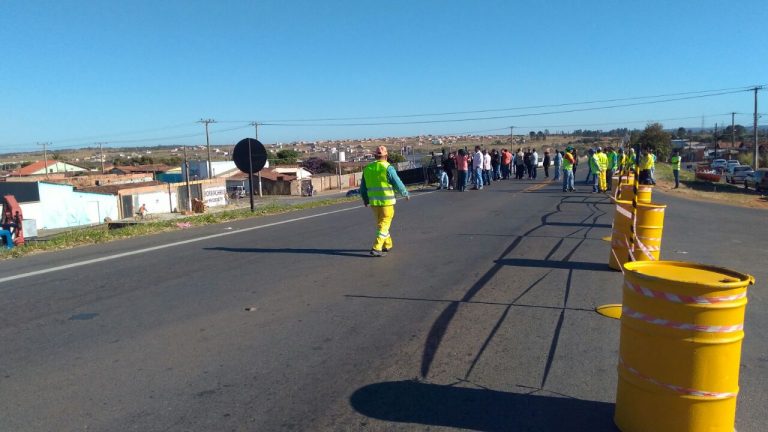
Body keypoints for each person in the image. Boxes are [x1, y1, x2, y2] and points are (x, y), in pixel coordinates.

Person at [359, 146, 410, 257]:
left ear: (375, 156)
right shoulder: (388, 167)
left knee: (381, 225)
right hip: (387, 203)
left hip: (374, 203)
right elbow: (397, 182)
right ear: (386, 156)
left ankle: (388, 244)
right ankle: (377, 248)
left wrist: (365, 199)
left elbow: (363, 188)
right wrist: (405, 193)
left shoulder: (367, 169)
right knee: (384, 225)